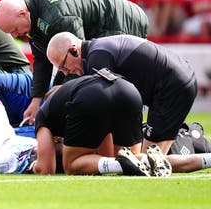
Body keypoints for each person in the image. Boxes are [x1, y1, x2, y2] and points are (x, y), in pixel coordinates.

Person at [0, 0, 149, 124]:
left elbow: (75, 60)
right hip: (104, 21)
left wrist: (56, 98)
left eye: (14, 29)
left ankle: (133, 127)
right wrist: (36, 101)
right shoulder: (32, 14)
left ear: (22, 14)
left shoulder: (58, 17)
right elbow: (42, 60)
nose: (14, 36)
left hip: (122, 21)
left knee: (107, 80)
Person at [46, 32, 197, 163]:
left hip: (171, 87)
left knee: (148, 161)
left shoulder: (97, 57)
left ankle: (205, 160)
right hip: (175, 82)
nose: (66, 73)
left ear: (74, 50)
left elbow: (105, 109)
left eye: (64, 66)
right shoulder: (96, 51)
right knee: (148, 159)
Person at [31, 74, 172, 177]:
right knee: (129, 156)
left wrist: (32, 166)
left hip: (93, 96)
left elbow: (46, 169)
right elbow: (108, 155)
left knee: (71, 165)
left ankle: (122, 164)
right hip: (128, 89)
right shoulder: (71, 94)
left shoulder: (44, 115)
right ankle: (148, 160)